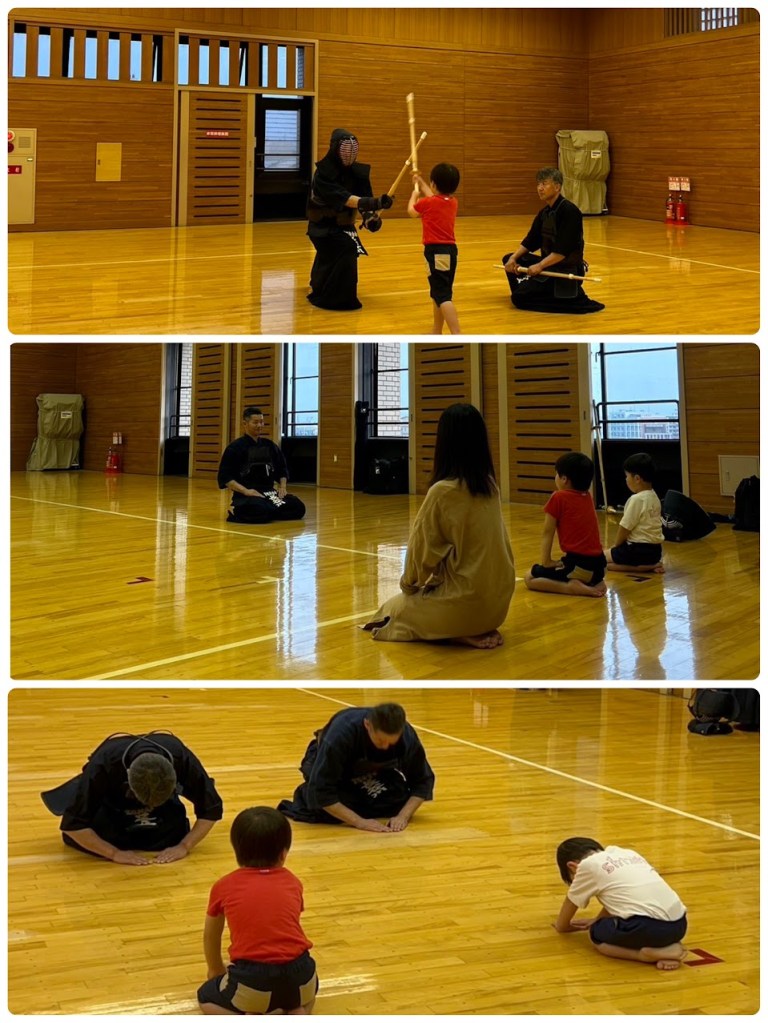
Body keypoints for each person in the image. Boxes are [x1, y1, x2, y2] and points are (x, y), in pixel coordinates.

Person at [362, 403, 515, 647]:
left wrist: (408, 586)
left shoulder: (442, 492)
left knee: (393, 609)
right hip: (499, 606)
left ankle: (456, 631)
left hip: (465, 605)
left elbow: (421, 554)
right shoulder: (490, 486)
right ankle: (467, 625)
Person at [198, 807, 318, 1015]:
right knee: (306, 996)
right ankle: (297, 1010)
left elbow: (211, 935)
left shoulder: (223, 886)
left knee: (205, 998)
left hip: (252, 978)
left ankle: (253, 1011)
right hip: (301, 973)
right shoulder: (293, 882)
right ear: (283, 853)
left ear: (237, 851)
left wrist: (215, 969)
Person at [40, 731, 223, 865]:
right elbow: (73, 826)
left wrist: (184, 846)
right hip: (112, 802)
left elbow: (211, 809)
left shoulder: (180, 756)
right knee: (102, 836)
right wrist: (113, 853)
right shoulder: (103, 764)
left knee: (172, 835)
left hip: (162, 807)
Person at [277, 703, 434, 832]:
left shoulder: (407, 737)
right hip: (325, 762)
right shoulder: (339, 736)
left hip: (370, 769)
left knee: (397, 798)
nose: (386, 747)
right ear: (367, 725)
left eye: (391, 742)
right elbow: (323, 792)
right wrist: (360, 822)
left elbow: (422, 781)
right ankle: (305, 791)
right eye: (380, 741)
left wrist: (403, 817)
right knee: (322, 808)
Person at [553, 837, 688, 970]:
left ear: (572, 867)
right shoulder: (626, 853)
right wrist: (596, 919)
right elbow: (618, 899)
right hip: (680, 925)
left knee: (596, 933)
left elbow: (571, 901)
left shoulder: (587, 866)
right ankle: (668, 945)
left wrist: (562, 926)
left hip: (648, 928)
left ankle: (645, 955)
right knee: (605, 923)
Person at [306, 128, 393, 310]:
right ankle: (336, 298)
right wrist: (375, 202)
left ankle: (320, 284)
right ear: (335, 149)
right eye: (346, 149)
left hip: (344, 225)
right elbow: (345, 198)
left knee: (336, 252)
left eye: (353, 149)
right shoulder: (322, 175)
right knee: (346, 248)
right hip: (322, 227)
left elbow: (363, 198)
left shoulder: (358, 173)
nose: (349, 154)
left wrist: (370, 218)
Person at [501, 168, 605, 314]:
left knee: (519, 299)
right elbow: (530, 241)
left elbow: (562, 251)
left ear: (557, 187)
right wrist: (513, 258)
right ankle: (533, 290)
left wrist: (539, 266)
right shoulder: (545, 212)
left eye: (544, 184)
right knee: (508, 258)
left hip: (565, 269)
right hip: (549, 266)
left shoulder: (570, 212)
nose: (540, 188)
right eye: (538, 184)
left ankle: (554, 297)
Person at [524, 452, 607, 598]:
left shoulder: (558, 497)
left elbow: (547, 532)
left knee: (529, 578)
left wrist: (546, 562)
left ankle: (570, 587)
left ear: (564, 479)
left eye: (557, 473)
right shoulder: (587, 496)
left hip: (578, 566)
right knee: (583, 572)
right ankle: (594, 583)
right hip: (600, 566)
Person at [218, 407, 306, 523]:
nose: (259, 425)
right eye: (255, 422)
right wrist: (246, 491)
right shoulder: (235, 448)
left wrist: (282, 487)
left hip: (269, 493)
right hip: (247, 494)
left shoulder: (269, 445)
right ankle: (265, 511)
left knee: (298, 507)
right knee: (259, 509)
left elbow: (282, 468)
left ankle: (271, 510)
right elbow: (226, 478)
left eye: (261, 422)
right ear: (245, 423)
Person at [407, 163, 461, 334]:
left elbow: (412, 212)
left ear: (434, 184)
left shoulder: (427, 202)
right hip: (450, 252)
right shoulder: (452, 202)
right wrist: (420, 181)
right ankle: (436, 331)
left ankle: (457, 334)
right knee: (439, 292)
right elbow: (433, 196)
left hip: (435, 252)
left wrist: (414, 195)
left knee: (443, 296)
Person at [605, 452, 665, 573]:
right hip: (655, 551)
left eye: (627, 476)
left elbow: (625, 528)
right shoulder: (655, 496)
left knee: (599, 560)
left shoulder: (637, 499)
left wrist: (616, 546)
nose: (626, 480)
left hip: (636, 551)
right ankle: (651, 564)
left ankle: (647, 567)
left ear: (637, 478)